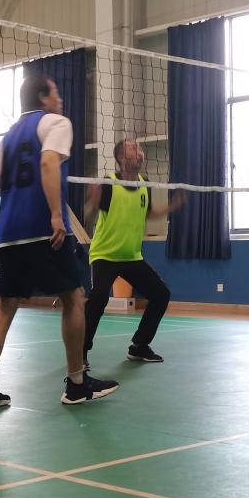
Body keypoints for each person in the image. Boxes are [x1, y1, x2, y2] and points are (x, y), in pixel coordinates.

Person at [0, 73, 119, 410]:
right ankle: (77, 384)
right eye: (56, 93)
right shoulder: (57, 123)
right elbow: (48, 161)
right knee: (74, 298)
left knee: (5, 307)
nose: (60, 100)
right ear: (42, 97)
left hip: (10, 235)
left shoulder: (8, 137)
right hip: (43, 230)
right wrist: (55, 215)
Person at [83, 139, 183, 365]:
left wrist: (170, 207)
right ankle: (80, 354)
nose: (140, 152)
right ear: (121, 157)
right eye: (134, 149)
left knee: (161, 294)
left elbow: (146, 213)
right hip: (105, 255)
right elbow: (89, 215)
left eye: (140, 148)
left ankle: (139, 346)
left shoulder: (144, 183)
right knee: (98, 298)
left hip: (131, 256)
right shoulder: (108, 184)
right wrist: (91, 203)